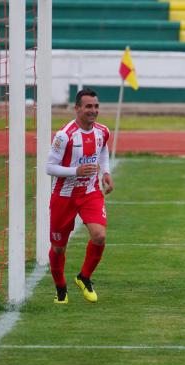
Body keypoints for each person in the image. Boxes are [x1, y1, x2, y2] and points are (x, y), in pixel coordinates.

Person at [46, 87, 113, 303]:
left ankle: (84, 277)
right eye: (88, 107)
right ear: (77, 109)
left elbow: (103, 151)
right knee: (58, 248)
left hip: (90, 193)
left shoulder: (102, 131)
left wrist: (106, 173)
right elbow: (49, 167)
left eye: (96, 106)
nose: (93, 111)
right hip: (64, 197)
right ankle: (61, 289)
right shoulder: (64, 136)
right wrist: (75, 171)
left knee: (100, 236)